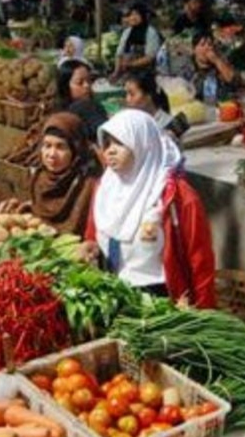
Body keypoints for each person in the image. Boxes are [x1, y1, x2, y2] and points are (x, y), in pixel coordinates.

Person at [80, 109, 216, 308]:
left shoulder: (177, 197)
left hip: (161, 301)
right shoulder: (105, 188)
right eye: (107, 143)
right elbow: (94, 232)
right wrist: (90, 245)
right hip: (114, 295)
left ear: (143, 145)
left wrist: (204, 313)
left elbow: (200, 260)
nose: (110, 150)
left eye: (120, 143)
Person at [0, 113, 101, 235]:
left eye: (60, 147)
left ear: (75, 150)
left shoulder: (89, 185)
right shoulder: (40, 178)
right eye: (47, 146)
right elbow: (41, 214)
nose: (51, 154)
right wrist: (22, 210)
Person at [57, 59, 109, 144]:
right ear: (65, 86)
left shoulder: (60, 109)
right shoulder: (84, 106)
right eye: (79, 82)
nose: (86, 85)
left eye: (89, 80)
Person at [124, 71, 188, 139]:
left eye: (132, 94)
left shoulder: (170, 126)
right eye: (126, 94)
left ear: (149, 95)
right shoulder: (134, 123)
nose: (127, 99)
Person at [114, 3, 164, 77]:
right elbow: (119, 53)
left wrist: (131, 64)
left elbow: (150, 57)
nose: (133, 17)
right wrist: (116, 72)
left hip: (148, 72)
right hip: (128, 70)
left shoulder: (150, 32)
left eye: (137, 14)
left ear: (143, 16)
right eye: (131, 15)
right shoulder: (127, 32)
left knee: (131, 86)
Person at [190, 32, 238, 102]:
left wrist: (216, 60)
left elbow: (233, 80)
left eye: (210, 44)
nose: (207, 48)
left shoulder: (220, 65)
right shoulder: (189, 68)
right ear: (194, 50)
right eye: (202, 45)